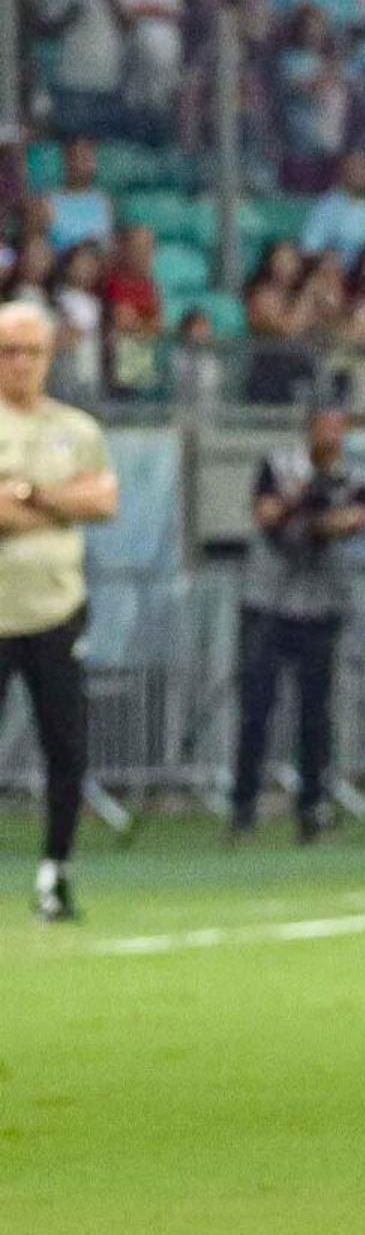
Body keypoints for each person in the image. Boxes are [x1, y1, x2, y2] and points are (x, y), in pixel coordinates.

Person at [0, 302, 118, 921]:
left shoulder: (76, 428)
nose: (18, 363)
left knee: (65, 749)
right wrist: (59, 502)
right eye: (7, 351)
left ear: (49, 356)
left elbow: (103, 500)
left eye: (30, 351)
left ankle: (56, 872)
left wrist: (26, 492)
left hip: (56, 609)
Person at [231, 405, 365, 842]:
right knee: (256, 709)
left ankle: (312, 806)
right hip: (268, 600)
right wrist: (299, 500)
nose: (332, 437)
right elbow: (266, 515)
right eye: (325, 428)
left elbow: (354, 521)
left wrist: (320, 519)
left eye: (338, 429)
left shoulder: (352, 478)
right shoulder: (279, 466)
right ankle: (244, 806)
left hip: (319, 604)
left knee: (316, 714)